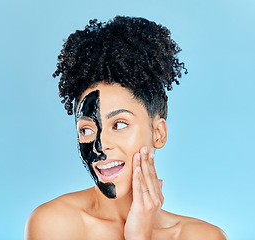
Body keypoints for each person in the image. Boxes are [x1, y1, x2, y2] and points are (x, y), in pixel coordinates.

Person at [25, 16, 227, 240]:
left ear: (158, 133)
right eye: (86, 130)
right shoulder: (55, 224)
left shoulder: (201, 236)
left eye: (119, 124)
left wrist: (140, 235)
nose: (101, 146)